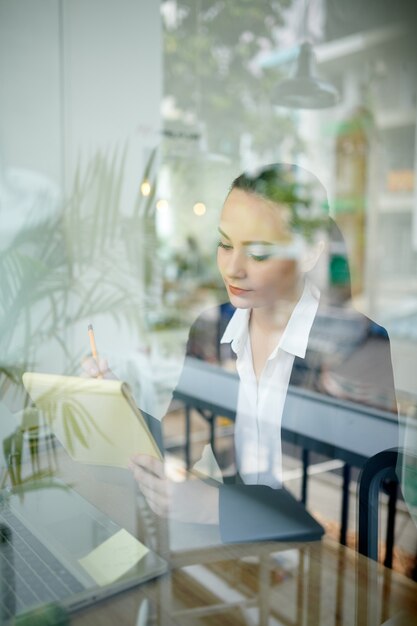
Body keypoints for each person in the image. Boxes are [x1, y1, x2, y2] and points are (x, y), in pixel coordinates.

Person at [93, 164, 399, 541]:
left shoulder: (357, 351)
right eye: (224, 245)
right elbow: (184, 442)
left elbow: (354, 516)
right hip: (245, 557)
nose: (232, 269)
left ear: (309, 254)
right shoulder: (214, 328)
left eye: (256, 252)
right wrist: (114, 405)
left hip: (320, 575)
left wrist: (213, 506)